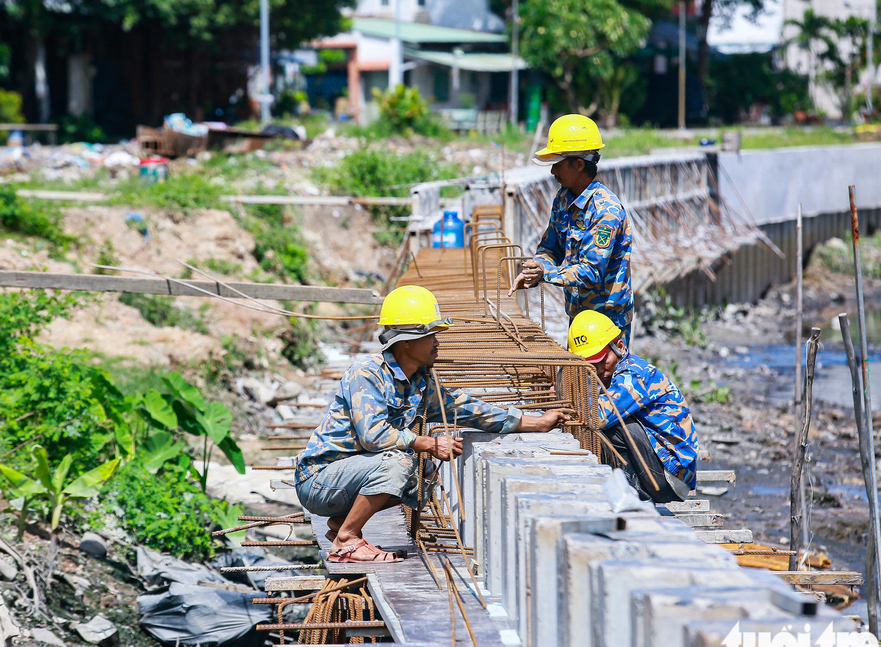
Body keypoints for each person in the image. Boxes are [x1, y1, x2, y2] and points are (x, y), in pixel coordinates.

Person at [295, 285, 574, 563]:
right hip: (319, 479)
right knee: (400, 462)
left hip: (349, 480)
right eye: (431, 336)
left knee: (422, 472)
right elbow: (373, 436)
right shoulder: (367, 375)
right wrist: (428, 443)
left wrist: (535, 423)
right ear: (406, 342)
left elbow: (468, 409)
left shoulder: (419, 383)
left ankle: (340, 524)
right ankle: (347, 540)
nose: (437, 343)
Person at [509, 114, 633, 344]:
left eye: (557, 164)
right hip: (578, 316)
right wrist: (537, 266)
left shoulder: (606, 211)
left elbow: (592, 271)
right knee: (576, 379)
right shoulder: (564, 200)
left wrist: (546, 274)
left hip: (608, 322)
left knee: (601, 380)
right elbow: (550, 247)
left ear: (578, 164)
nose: (552, 171)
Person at [567, 310, 697, 504]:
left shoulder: (634, 375)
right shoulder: (613, 374)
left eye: (603, 360)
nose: (598, 370)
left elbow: (598, 415)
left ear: (619, 346)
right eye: (590, 364)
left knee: (612, 424)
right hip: (659, 467)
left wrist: (565, 395)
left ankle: (632, 494)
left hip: (670, 477)